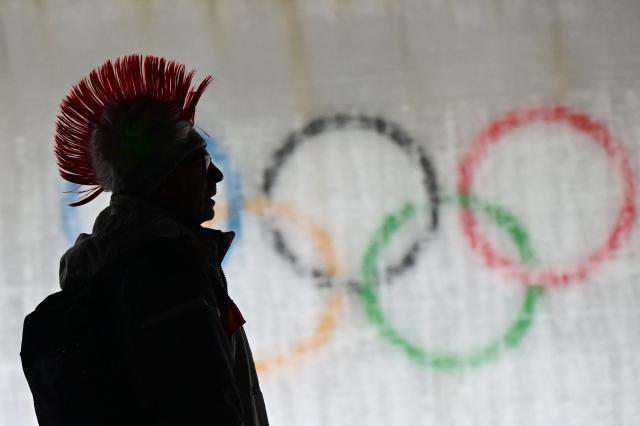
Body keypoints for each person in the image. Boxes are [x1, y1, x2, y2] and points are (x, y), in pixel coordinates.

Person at [20, 54, 268, 426]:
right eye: (199, 161)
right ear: (162, 177)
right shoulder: (167, 277)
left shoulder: (110, 270)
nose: (216, 175)